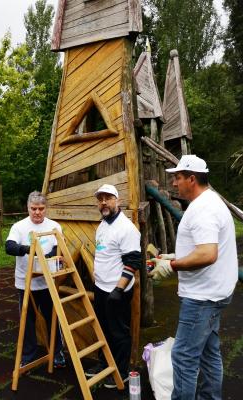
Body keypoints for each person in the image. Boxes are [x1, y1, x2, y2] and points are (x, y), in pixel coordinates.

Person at [149, 155, 238, 400]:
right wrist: (171, 256)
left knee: (183, 356)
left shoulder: (203, 209)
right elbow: (204, 246)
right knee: (209, 354)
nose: (174, 183)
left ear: (192, 178)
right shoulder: (210, 201)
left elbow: (208, 253)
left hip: (202, 298)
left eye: (177, 178)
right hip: (215, 292)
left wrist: (173, 266)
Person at [86, 184, 141, 389]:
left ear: (117, 200)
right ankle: (104, 364)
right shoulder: (103, 224)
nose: (103, 202)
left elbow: (133, 262)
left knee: (119, 332)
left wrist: (118, 290)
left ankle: (121, 372)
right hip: (101, 287)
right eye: (100, 199)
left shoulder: (126, 228)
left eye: (108, 198)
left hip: (117, 291)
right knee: (103, 328)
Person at [5, 191, 65, 368]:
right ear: (28, 208)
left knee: (52, 318)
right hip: (26, 283)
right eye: (33, 209)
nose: (37, 212)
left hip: (47, 282)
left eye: (41, 208)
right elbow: (9, 246)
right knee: (27, 321)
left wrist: (49, 255)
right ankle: (29, 355)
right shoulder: (19, 227)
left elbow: (58, 248)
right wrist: (28, 249)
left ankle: (57, 352)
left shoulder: (54, 226)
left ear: (46, 208)